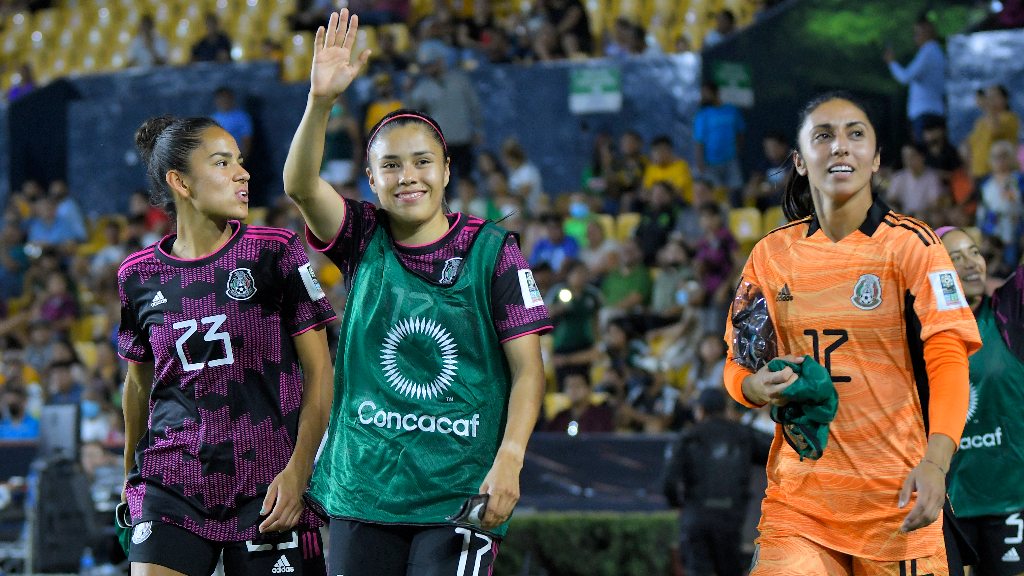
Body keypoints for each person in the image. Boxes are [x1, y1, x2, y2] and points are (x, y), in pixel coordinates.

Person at [282, 11, 550, 576]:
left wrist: (511, 457)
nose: (409, 176)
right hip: (365, 488)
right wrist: (321, 101)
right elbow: (300, 185)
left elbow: (529, 370)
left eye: (423, 162)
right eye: (392, 166)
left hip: (461, 487)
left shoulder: (493, 252)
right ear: (371, 180)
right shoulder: (361, 236)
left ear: (447, 170)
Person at [724, 92, 982, 574]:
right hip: (799, 504)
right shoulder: (770, 256)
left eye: (855, 134)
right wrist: (751, 387)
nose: (840, 146)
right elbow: (739, 364)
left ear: (877, 158)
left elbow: (949, 361)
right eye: (823, 136)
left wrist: (936, 463)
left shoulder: (915, 247)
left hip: (896, 503)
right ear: (799, 161)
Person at [117, 114, 336, 576]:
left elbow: (320, 372)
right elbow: (138, 386)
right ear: (180, 182)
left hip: (269, 481)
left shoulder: (275, 251)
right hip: (171, 478)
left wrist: (300, 471)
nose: (243, 173)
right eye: (222, 163)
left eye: (239, 161)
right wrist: (129, 479)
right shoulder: (136, 276)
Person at [937, 226, 1024, 576]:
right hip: (946, 503)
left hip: (1009, 500)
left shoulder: (1010, 315)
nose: (971, 264)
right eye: (955, 258)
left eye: (974, 253)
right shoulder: (923, 333)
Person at [663, 387, 772, 576]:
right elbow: (776, 451)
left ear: (700, 410)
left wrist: (678, 505)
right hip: (729, 518)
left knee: (698, 570)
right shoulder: (743, 434)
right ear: (725, 409)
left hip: (696, 516)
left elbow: (669, 482)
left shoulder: (688, 437)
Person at [885, 18, 946, 142]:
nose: (915, 37)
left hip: (925, 112)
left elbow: (905, 77)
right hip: (935, 110)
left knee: (923, 151)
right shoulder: (938, 52)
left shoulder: (928, 51)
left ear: (927, 33)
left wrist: (892, 63)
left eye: (917, 33)